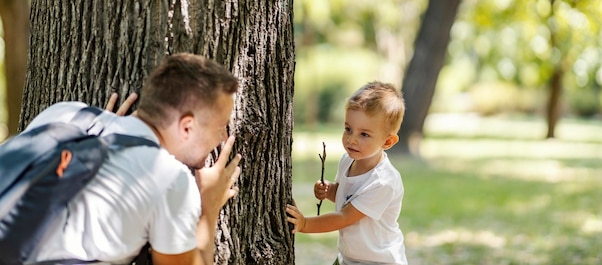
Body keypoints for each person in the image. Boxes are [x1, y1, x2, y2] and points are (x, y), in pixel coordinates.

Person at [25, 53, 242, 265]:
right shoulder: (170, 180)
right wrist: (207, 211)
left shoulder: (65, 113)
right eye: (220, 127)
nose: (223, 136)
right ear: (187, 127)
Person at [287, 81, 408, 265]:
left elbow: (345, 217)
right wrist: (330, 191)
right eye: (348, 129)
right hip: (350, 258)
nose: (351, 139)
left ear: (388, 142)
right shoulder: (348, 160)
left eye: (364, 134)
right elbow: (348, 198)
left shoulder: (383, 182)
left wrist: (305, 224)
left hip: (379, 261)